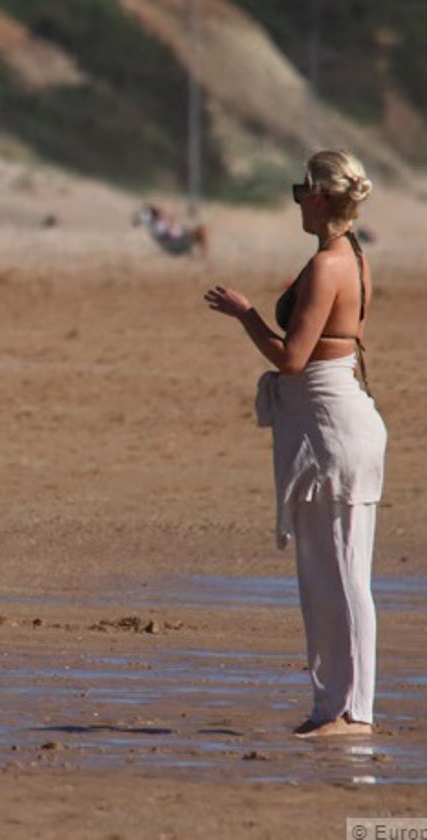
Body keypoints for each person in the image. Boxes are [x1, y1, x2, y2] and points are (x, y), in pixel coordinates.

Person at [204, 150, 385, 738]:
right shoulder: (347, 257)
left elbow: (291, 359)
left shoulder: (334, 264)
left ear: (323, 199)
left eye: (300, 191)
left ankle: (354, 711)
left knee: (344, 573)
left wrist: (245, 314)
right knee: (323, 573)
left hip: (335, 428)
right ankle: (330, 705)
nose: (296, 202)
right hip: (328, 421)